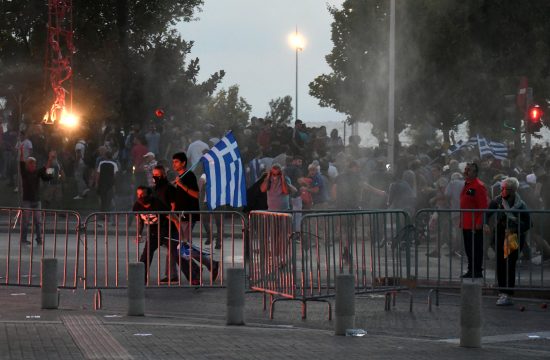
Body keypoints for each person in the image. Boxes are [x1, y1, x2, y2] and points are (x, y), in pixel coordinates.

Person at [172, 152, 219, 281]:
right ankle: (209, 264)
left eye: (176, 162)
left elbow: (195, 194)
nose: (174, 164)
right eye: (173, 162)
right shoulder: (180, 176)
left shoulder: (189, 176)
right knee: (184, 246)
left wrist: (181, 185)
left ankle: (207, 265)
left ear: (183, 163)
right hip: (180, 216)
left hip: (188, 215)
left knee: (183, 248)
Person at [484, 177, 531, 306]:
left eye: (507, 189)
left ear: (514, 190)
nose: (503, 191)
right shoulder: (498, 200)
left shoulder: (520, 205)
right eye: (502, 188)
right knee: (500, 263)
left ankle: (508, 294)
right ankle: (502, 291)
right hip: (499, 234)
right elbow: (487, 213)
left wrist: (515, 224)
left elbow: (528, 223)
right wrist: (485, 224)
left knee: (509, 264)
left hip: (512, 236)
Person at [19, 150, 56, 245]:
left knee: (38, 222)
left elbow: (46, 169)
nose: (32, 165)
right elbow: (21, 163)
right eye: (30, 164)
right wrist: (22, 152)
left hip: (36, 200)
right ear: (28, 165)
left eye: (33, 164)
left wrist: (50, 160)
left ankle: (39, 239)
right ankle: (23, 239)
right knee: (25, 222)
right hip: (27, 200)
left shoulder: (37, 172)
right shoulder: (25, 172)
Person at [460, 162, 489, 278]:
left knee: (475, 248)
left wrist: (479, 222)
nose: (466, 172)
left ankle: (477, 270)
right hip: (466, 222)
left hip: (474, 223)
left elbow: (483, 206)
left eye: (469, 170)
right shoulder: (467, 184)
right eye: (466, 169)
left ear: (475, 173)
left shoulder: (478, 186)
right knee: (468, 248)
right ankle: (471, 269)